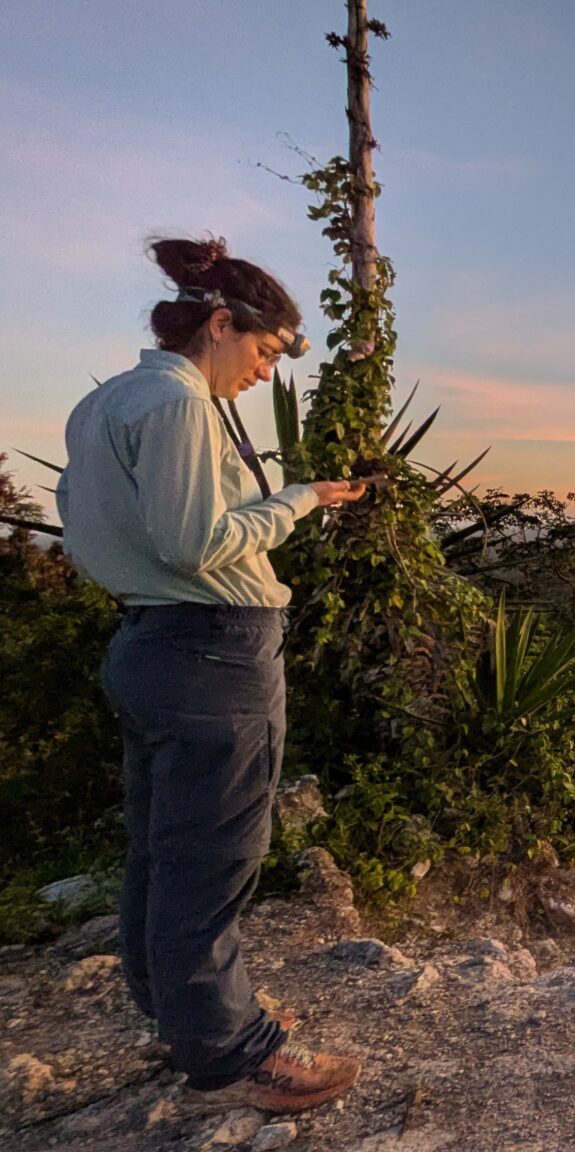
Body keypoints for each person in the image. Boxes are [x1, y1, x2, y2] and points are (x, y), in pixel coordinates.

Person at [54, 235, 367, 1113]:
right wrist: (300, 500)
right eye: (263, 352)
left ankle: (184, 1015)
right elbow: (196, 544)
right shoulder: (180, 406)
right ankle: (233, 1054)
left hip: (150, 641)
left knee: (162, 849)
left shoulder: (106, 404)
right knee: (216, 855)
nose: (265, 375)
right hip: (212, 652)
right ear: (221, 324)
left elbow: (85, 527)